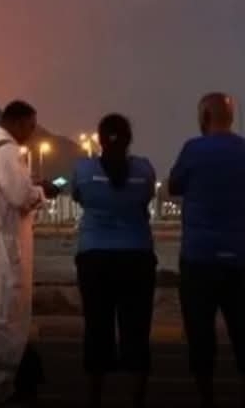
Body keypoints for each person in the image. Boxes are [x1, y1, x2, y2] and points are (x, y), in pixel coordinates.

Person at [168, 93, 245, 408]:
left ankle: (206, 397)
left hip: (199, 257)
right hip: (237, 256)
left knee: (200, 333)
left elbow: (174, 185)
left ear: (204, 117)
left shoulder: (193, 149)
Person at [0, 100, 61, 405]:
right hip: (8, 248)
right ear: (18, 123)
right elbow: (20, 196)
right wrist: (42, 192)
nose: (31, 134)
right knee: (8, 320)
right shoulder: (6, 150)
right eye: (30, 127)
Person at [72, 113, 157, 408]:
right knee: (137, 329)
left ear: (98, 139)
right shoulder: (144, 170)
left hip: (94, 258)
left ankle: (95, 397)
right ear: (129, 139)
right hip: (137, 256)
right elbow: (146, 197)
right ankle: (137, 398)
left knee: (97, 328)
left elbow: (79, 197)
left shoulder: (83, 170)